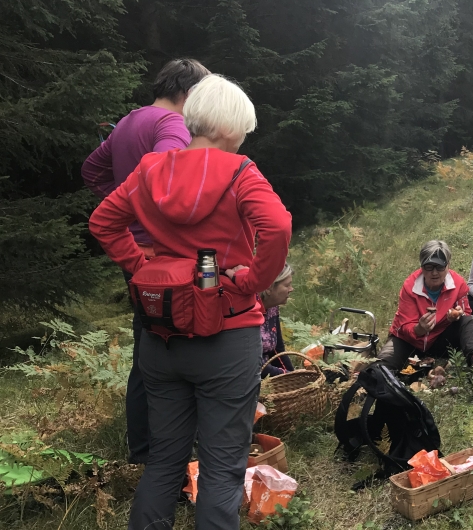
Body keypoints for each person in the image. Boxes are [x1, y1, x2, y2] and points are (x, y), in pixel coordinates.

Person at [89, 74, 292, 530]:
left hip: (162, 337)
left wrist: (140, 266)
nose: (243, 140)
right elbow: (277, 228)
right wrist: (253, 281)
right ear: (228, 129)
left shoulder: (150, 169)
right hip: (227, 333)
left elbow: (103, 221)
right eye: (243, 130)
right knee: (222, 468)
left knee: (164, 462)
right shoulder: (240, 171)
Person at [82, 58, 210, 465]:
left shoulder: (128, 122)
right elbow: (169, 174)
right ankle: (173, 451)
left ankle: (143, 447)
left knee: (148, 347)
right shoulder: (172, 125)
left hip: (135, 255)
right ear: (189, 95)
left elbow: (92, 170)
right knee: (181, 348)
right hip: (165, 255)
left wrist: (124, 205)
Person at [376, 240, 473, 379]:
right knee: (383, 364)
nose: (435, 273)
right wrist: (419, 328)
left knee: (471, 321)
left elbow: (466, 312)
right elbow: (403, 325)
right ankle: (372, 379)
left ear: (448, 265)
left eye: (440, 267)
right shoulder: (410, 287)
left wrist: (457, 316)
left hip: (440, 337)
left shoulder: (457, 283)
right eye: (429, 267)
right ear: (421, 267)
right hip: (408, 340)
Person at [260, 264, 295, 378]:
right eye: (287, 285)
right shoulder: (248, 312)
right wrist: (287, 376)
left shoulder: (272, 308)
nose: (291, 289)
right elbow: (253, 365)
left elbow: (277, 351)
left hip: (267, 375)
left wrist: (294, 376)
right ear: (269, 288)